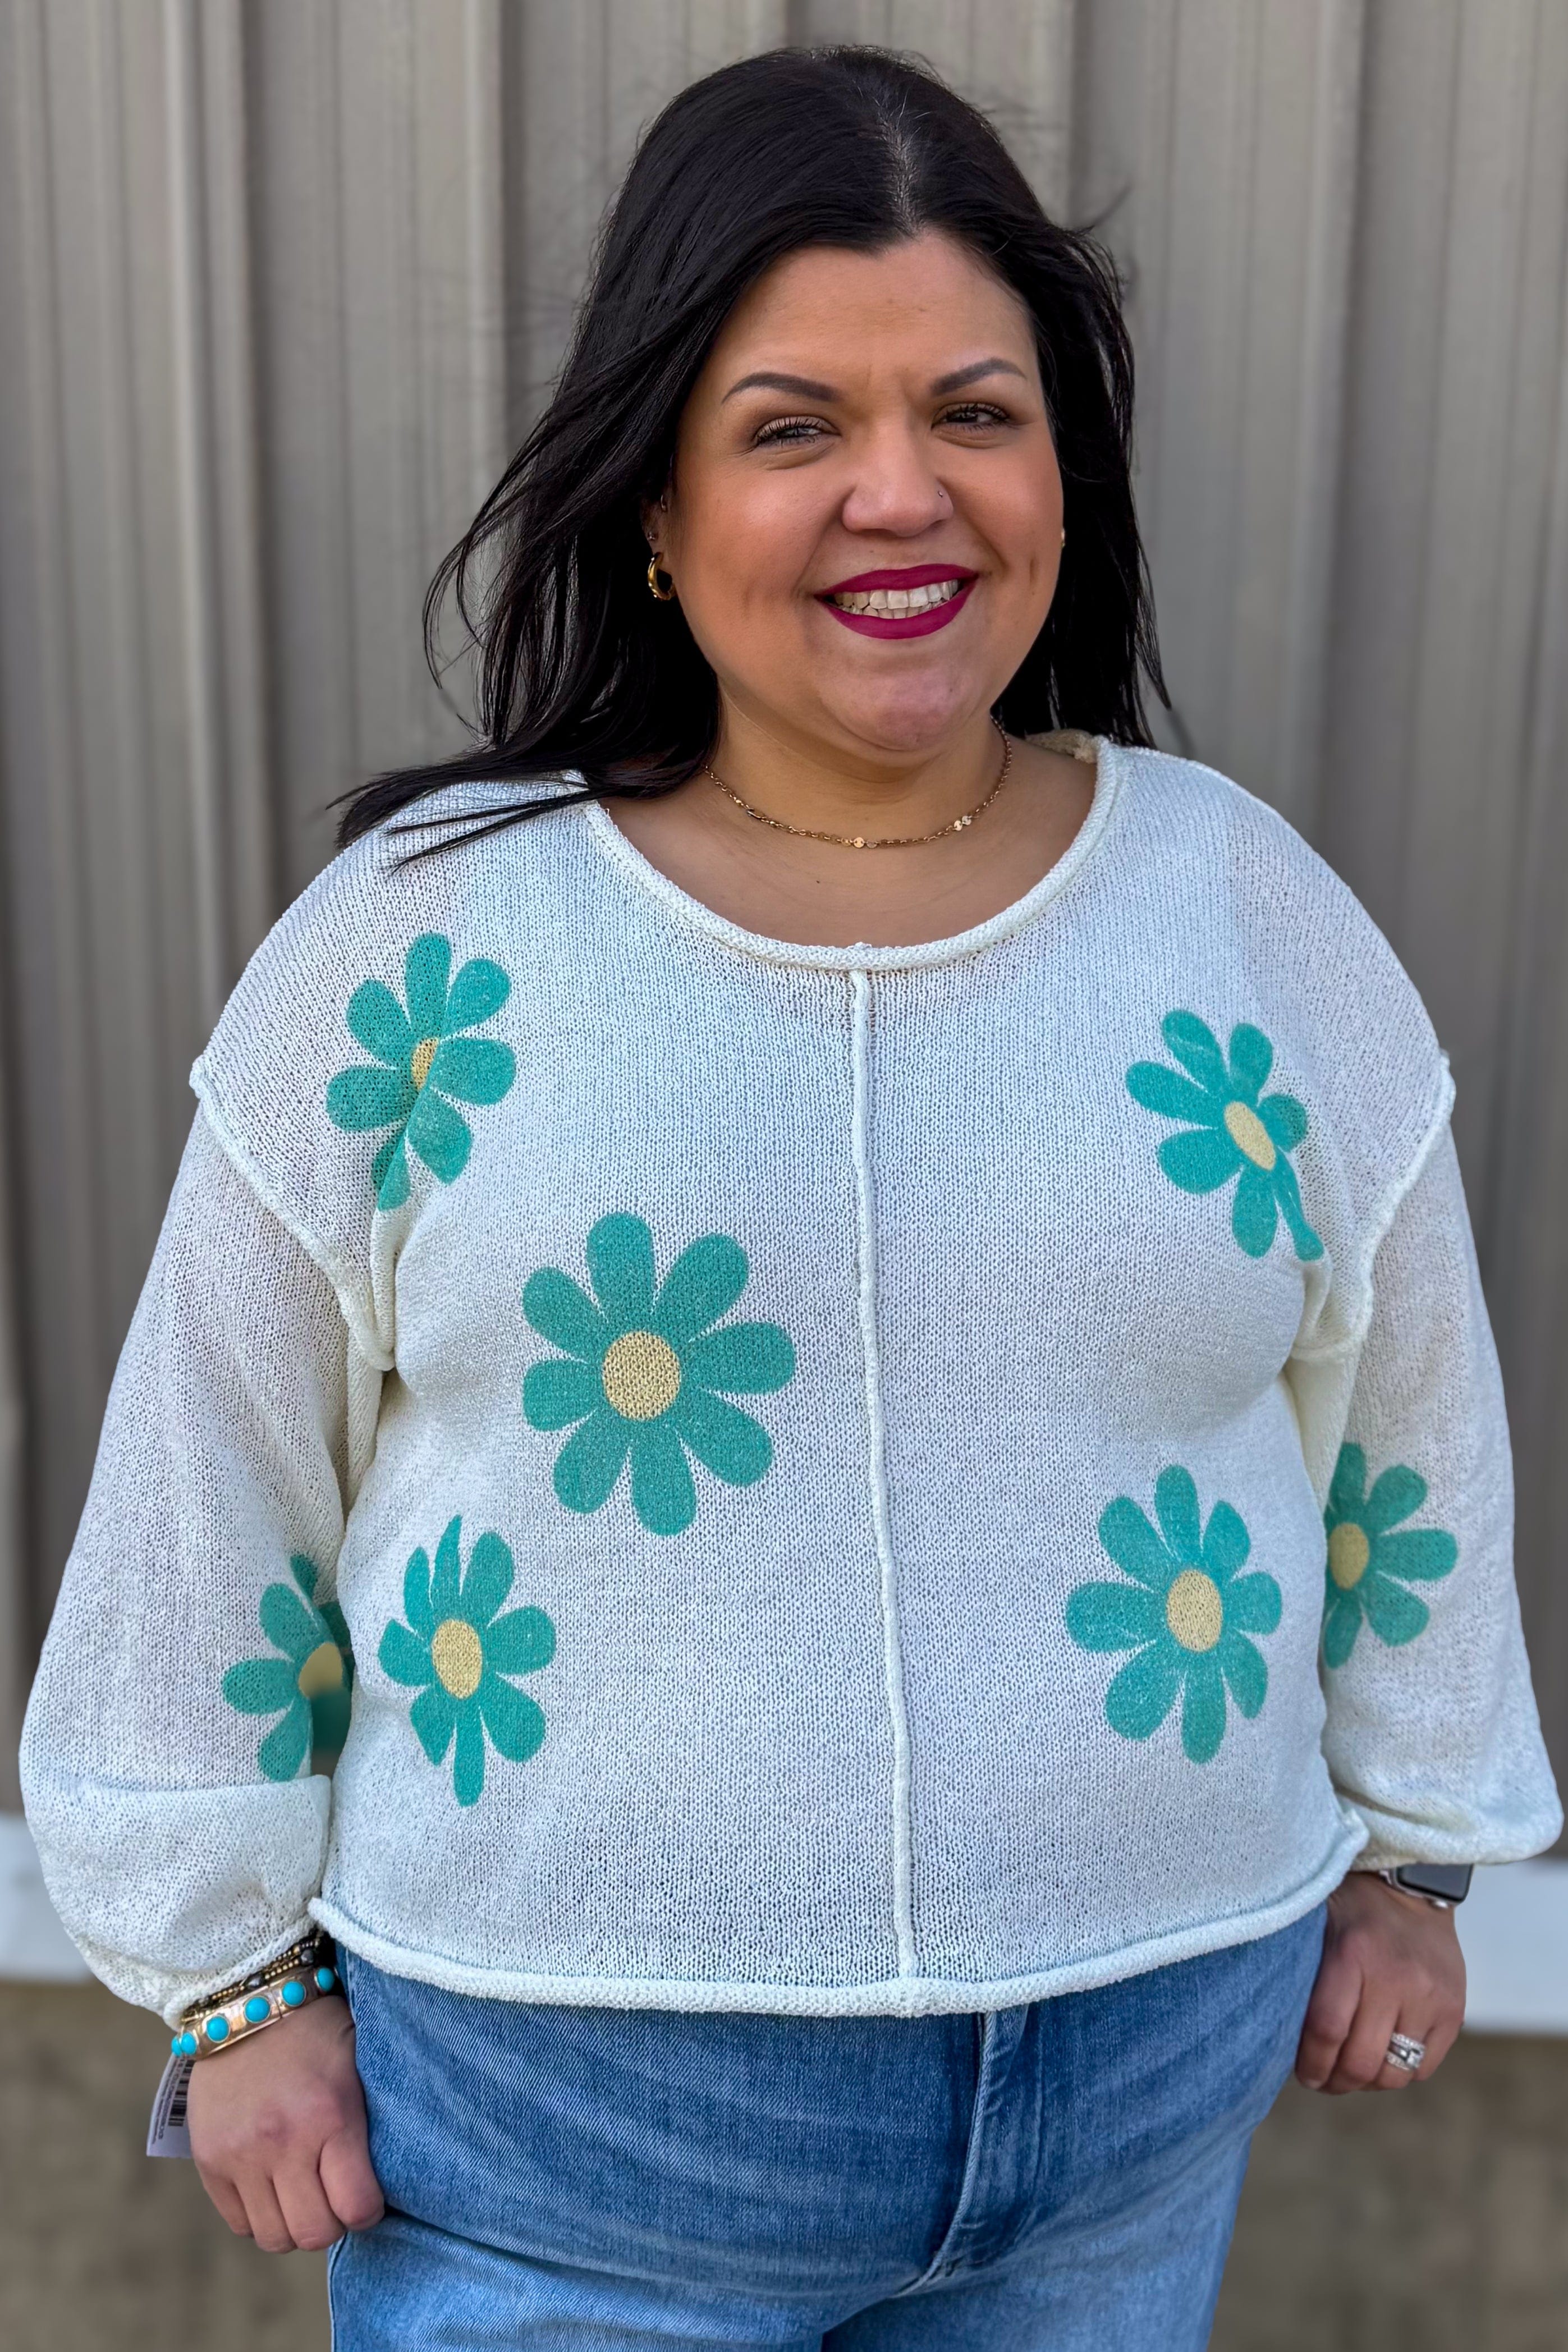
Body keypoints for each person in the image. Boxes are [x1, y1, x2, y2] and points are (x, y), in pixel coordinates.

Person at [20, 43, 1560, 2352]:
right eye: (790, 427)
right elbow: (203, 1482)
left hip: (1134, 2109)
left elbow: (1407, 1430)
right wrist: (224, 1985)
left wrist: (1423, 1850)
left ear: (1065, 470)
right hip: (561, 2148)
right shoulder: (425, 950)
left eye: (975, 411)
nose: (901, 496)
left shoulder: (1247, 918)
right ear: (655, 495)